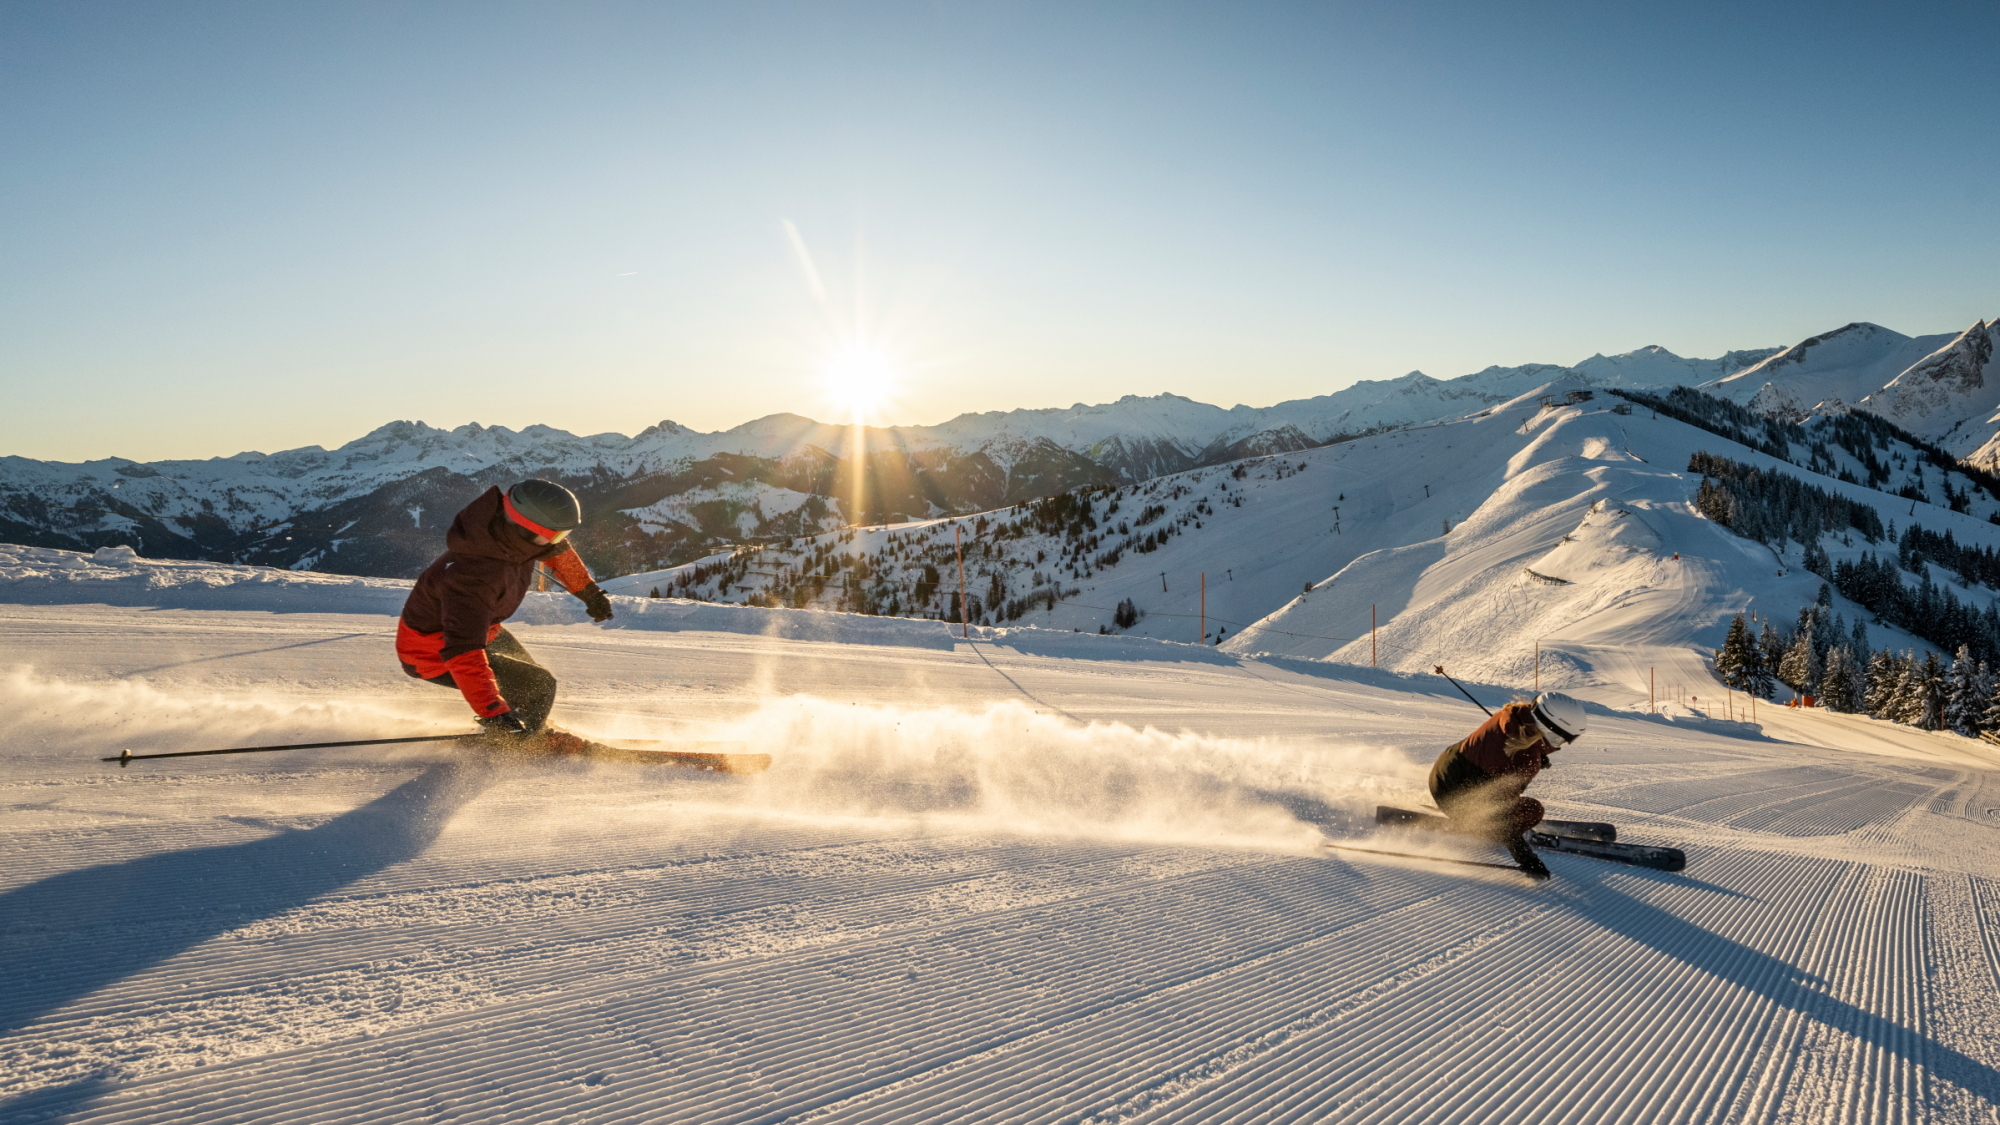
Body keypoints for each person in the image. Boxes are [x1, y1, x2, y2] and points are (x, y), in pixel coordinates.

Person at [396, 479, 616, 751]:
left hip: (482, 631)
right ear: (523, 529)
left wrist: (588, 593)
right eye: (554, 535)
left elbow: (558, 552)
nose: (558, 543)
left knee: (527, 678)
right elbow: (463, 652)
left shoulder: (510, 536)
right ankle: (522, 745)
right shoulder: (471, 578)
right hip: (432, 654)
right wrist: (493, 713)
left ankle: (525, 724)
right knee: (538, 685)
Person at [1427, 691, 1588, 879]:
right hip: (1454, 797)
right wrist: (1525, 857)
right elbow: (1499, 812)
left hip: (1442, 773)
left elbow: (1499, 748)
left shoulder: (1515, 713)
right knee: (1532, 810)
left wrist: (1538, 751)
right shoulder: (1525, 759)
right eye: (1563, 738)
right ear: (1550, 731)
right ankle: (1476, 829)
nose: (1562, 744)